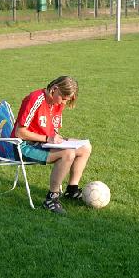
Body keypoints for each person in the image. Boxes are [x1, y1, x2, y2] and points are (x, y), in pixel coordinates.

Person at [11, 76, 92, 214]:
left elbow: (52, 130)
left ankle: (71, 190)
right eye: (64, 98)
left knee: (85, 148)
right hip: (23, 146)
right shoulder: (35, 99)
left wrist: (61, 139)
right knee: (68, 153)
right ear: (54, 89)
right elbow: (20, 132)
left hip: (42, 143)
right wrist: (48, 138)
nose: (65, 103)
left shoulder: (57, 103)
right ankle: (51, 199)